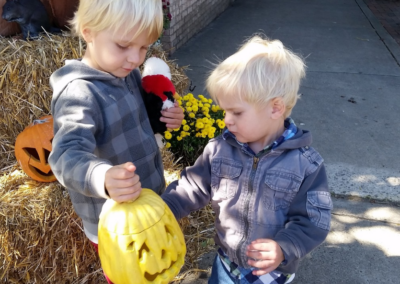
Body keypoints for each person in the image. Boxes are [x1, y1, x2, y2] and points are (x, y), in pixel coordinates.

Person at [161, 35, 333, 284]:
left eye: (237, 112)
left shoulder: (306, 165)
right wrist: (165, 209)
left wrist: (284, 247)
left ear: (276, 108)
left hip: (271, 272)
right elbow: (193, 186)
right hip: (226, 262)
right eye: (225, 111)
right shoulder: (220, 149)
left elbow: (313, 220)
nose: (227, 120)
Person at [48, 0, 183, 282]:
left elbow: (134, 119)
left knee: (159, 270)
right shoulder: (78, 93)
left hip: (148, 202)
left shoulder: (126, 73)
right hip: (116, 223)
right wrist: (103, 177)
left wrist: (164, 118)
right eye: (123, 46)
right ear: (89, 33)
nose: (135, 58)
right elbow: (65, 154)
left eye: (144, 47)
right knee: (132, 277)